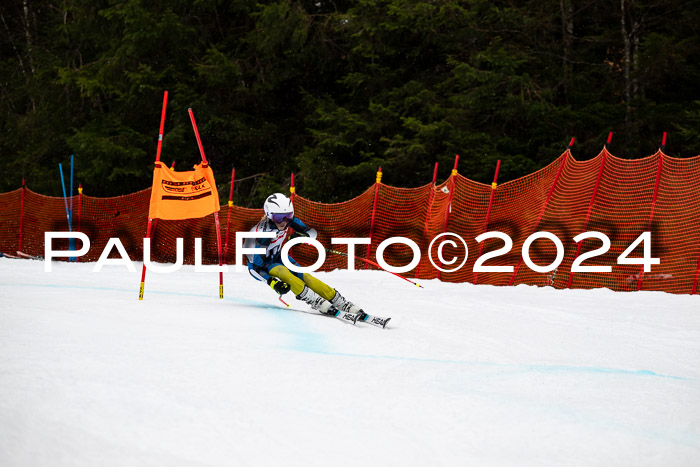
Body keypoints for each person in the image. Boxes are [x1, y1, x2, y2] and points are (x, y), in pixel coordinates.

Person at [245, 192, 366, 319]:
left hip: (278, 256)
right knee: (283, 272)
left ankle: (340, 302)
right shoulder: (261, 235)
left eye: (288, 216)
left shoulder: (287, 221)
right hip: (263, 265)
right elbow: (253, 269)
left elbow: (312, 232)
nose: (284, 222)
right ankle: (314, 300)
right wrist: (272, 282)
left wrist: (304, 236)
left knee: (306, 277)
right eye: (279, 218)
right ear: (269, 215)